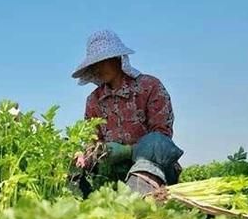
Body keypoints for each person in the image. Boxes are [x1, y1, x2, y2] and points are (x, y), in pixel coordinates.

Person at [71, 30, 183, 196]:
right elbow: (92, 140)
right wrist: (86, 155)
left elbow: (161, 138)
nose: (98, 68)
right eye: (94, 64)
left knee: (154, 145)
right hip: (111, 173)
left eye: (102, 61)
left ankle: (140, 196)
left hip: (154, 167)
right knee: (72, 169)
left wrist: (128, 151)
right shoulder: (94, 100)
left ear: (118, 59)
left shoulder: (149, 87)